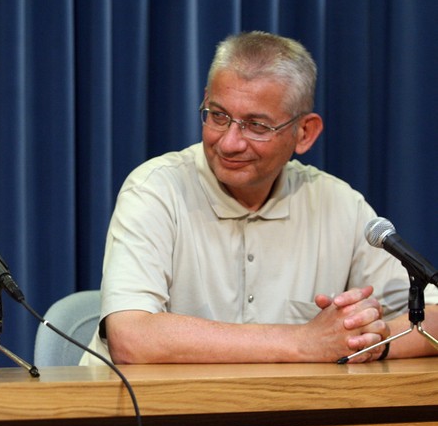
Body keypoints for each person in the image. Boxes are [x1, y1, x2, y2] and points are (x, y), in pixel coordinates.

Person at [81, 31, 438, 365]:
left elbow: (433, 315)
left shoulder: (336, 202)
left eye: (256, 126)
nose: (229, 142)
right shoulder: (155, 190)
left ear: (304, 132)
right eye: (218, 116)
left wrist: (369, 342)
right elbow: (131, 337)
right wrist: (304, 342)